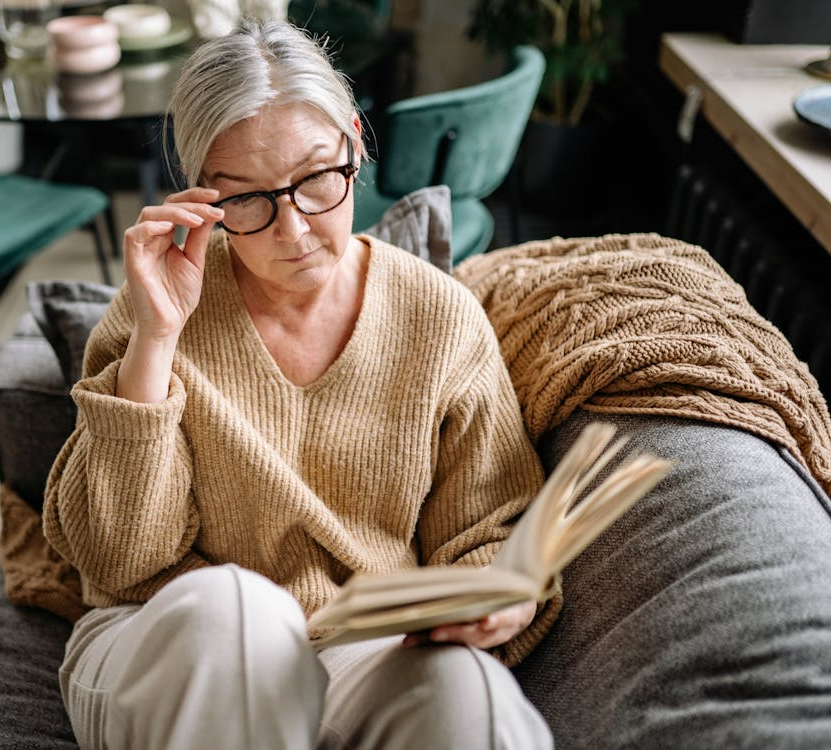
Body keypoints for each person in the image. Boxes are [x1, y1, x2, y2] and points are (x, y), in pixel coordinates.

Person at [43, 19, 559, 749]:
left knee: (465, 692)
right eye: (246, 200)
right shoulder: (153, 311)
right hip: (165, 637)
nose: (292, 230)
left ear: (353, 143)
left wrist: (492, 600)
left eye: (316, 178)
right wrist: (158, 336)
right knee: (239, 611)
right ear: (199, 197)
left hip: (356, 648)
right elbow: (118, 559)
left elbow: (489, 529)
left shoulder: (438, 318)